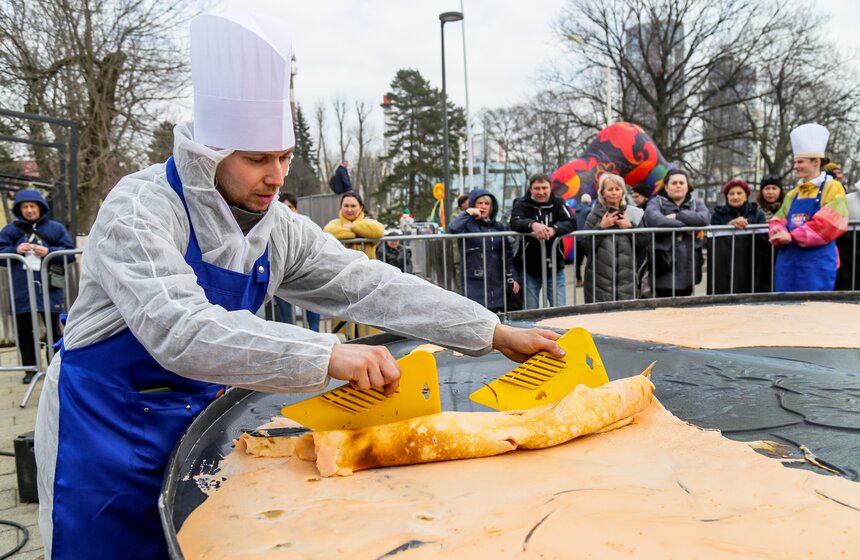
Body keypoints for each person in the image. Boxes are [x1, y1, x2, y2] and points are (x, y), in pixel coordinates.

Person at [34, 8, 564, 559]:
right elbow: (179, 329)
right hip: (104, 428)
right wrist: (329, 354)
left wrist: (491, 331)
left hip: (197, 418)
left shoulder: (277, 227)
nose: (277, 177)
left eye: (285, 157)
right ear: (208, 155)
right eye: (257, 158)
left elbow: (368, 284)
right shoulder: (139, 209)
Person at [0, 190, 75, 382]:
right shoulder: (10, 231)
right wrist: (14, 250)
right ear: (19, 209)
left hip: (49, 289)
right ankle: (30, 370)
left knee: (54, 330)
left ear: (40, 207)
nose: (29, 210)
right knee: (24, 331)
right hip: (22, 290)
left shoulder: (56, 228)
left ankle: (56, 367)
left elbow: (70, 253)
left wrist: (49, 251)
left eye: (32, 206)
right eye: (25, 207)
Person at [769, 123, 848, 292]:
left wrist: (791, 236)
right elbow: (777, 220)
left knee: (815, 312)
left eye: (800, 161)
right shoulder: (793, 194)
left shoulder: (833, 188)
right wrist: (777, 233)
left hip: (817, 264)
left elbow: (830, 224)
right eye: (795, 161)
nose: (795, 166)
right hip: (788, 263)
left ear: (816, 161)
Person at [509, 173, 576, 309]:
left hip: (555, 267)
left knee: (560, 310)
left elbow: (571, 222)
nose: (541, 192)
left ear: (550, 188)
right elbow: (514, 222)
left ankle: (557, 331)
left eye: (544, 188)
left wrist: (554, 229)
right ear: (530, 189)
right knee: (530, 312)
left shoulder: (559, 203)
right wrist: (532, 224)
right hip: (528, 269)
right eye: (537, 188)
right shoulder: (522, 204)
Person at [448, 189, 520, 312]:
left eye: (487, 204)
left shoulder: (499, 227)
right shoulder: (467, 225)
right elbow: (452, 228)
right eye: (479, 203)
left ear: (492, 207)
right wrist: (469, 212)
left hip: (497, 282)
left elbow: (508, 255)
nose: (483, 206)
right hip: (474, 282)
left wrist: (513, 277)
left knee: (497, 319)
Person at [644, 169, 710, 297]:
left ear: (687, 187)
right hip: (664, 268)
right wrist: (691, 226)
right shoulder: (656, 202)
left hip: (689, 270)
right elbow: (654, 220)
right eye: (674, 183)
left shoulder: (697, 204)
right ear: (667, 187)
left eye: (681, 182)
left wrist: (676, 216)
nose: (678, 185)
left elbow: (704, 219)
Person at [582, 173, 645, 303]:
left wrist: (630, 228)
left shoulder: (631, 213)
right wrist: (601, 227)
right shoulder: (594, 215)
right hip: (599, 279)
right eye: (610, 189)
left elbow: (643, 242)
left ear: (623, 192)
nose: (614, 193)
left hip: (626, 278)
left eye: (617, 189)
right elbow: (584, 244)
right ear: (602, 193)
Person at [708, 179, 766, 295]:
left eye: (739, 193)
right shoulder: (718, 214)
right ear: (726, 196)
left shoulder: (757, 213)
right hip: (725, 266)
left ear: (746, 196)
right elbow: (713, 241)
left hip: (750, 265)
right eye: (731, 193)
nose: (735, 197)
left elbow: (762, 240)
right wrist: (730, 225)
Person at [273, 192, 320, 331]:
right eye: (283, 206)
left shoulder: (306, 225)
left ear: (296, 208)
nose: (287, 209)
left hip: (307, 275)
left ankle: (315, 339)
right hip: (281, 278)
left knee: (313, 313)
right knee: (287, 318)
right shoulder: (270, 226)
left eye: (290, 206)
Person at [324, 191, 384, 259]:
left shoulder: (369, 222)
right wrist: (359, 233)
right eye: (346, 206)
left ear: (361, 207)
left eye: (353, 206)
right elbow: (327, 232)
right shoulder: (334, 223)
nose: (349, 210)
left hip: (366, 268)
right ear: (341, 207)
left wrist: (353, 226)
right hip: (342, 268)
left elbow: (379, 231)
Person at [574, 193, 593, 287]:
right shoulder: (590, 210)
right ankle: (592, 280)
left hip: (577, 238)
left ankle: (579, 280)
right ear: (589, 201)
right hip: (586, 239)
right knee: (591, 261)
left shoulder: (576, 211)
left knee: (577, 262)